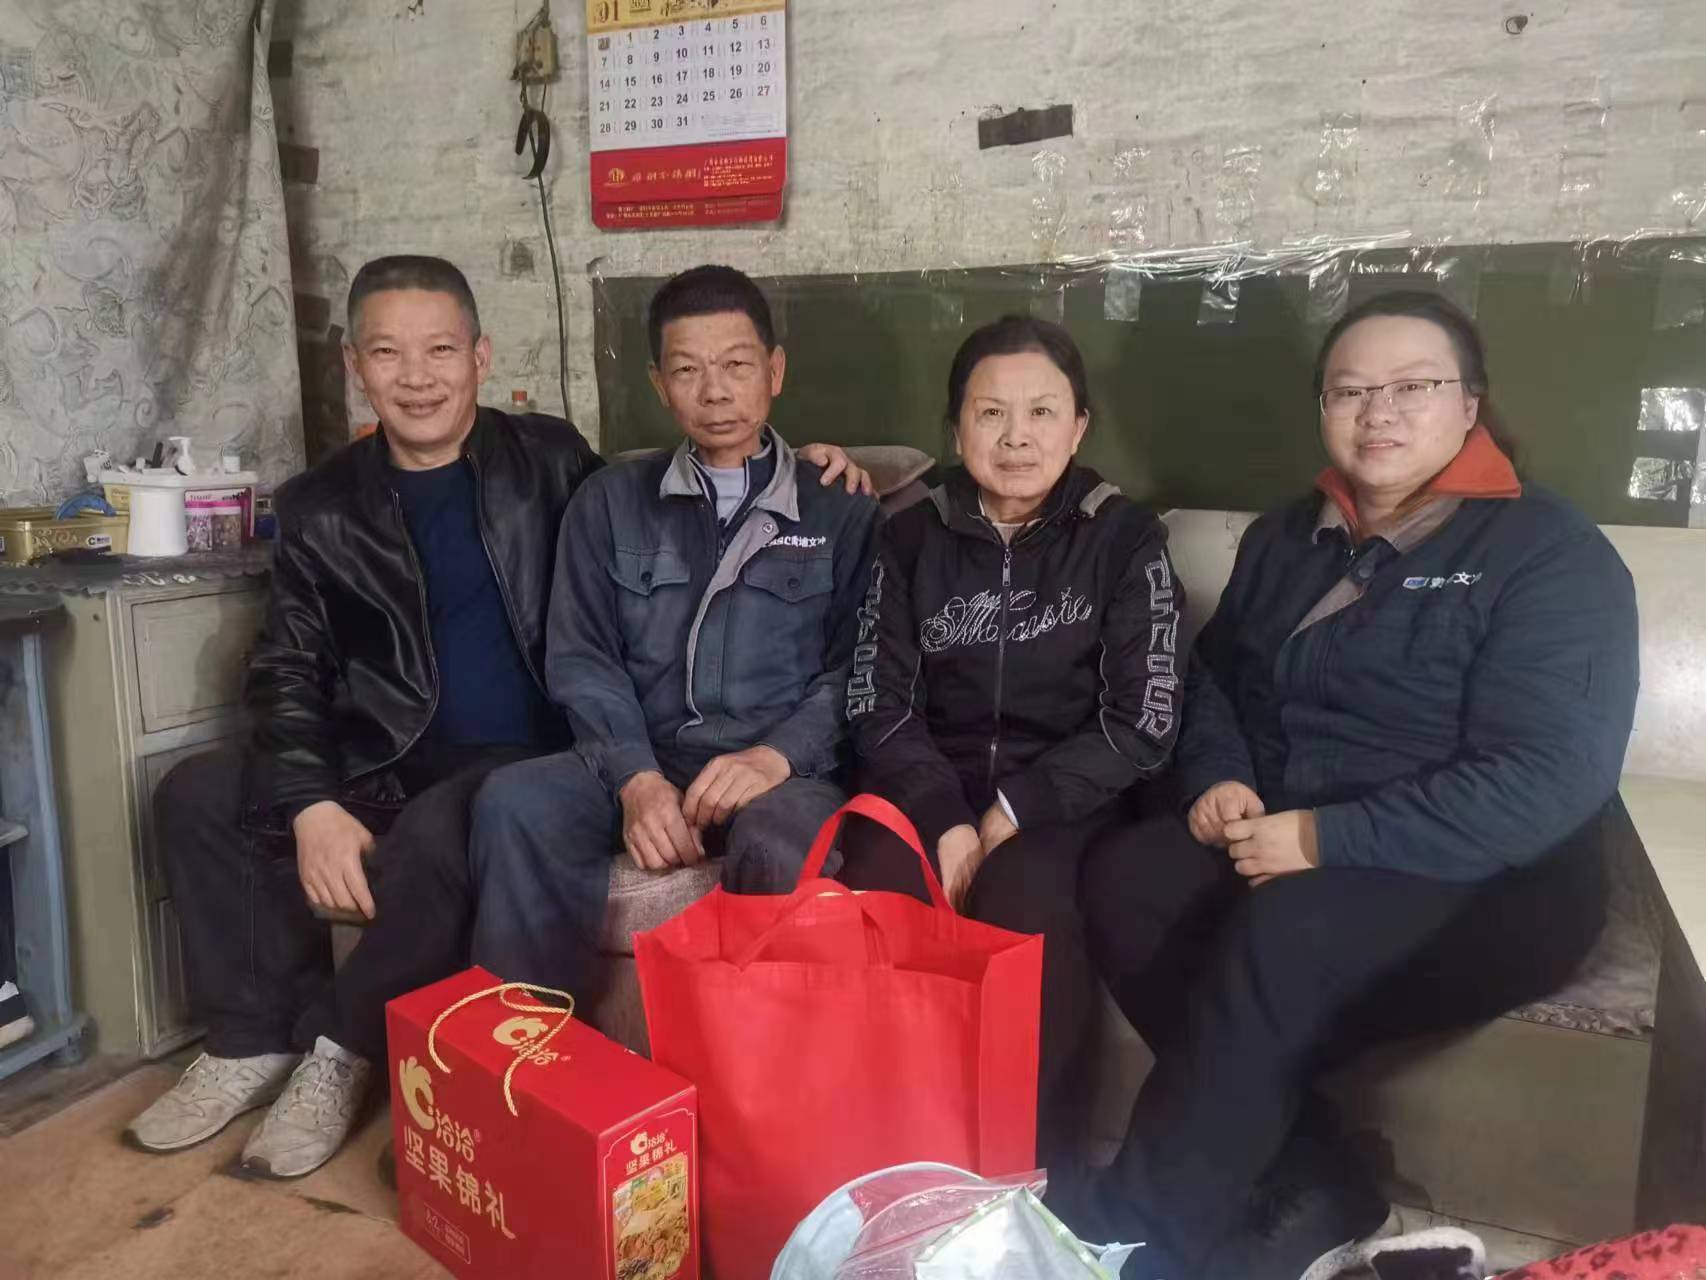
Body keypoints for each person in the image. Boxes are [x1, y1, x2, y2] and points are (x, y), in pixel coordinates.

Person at [127, 256, 867, 1180]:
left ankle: (348, 1049)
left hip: (515, 748)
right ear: (356, 364)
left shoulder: (552, 462)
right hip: (386, 746)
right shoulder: (324, 505)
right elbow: (290, 667)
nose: (417, 376)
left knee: (475, 816)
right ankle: (254, 1043)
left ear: (479, 357)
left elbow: (755, 525)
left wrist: (814, 463)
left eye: (440, 350)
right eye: (388, 353)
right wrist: (312, 800)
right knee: (196, 791)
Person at [1056, 291, 1639, 1280]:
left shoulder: (1548, 552)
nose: (1379, 412)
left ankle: (1137, 1232)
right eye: (1351, 390)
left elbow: (1546, 779)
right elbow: (1214, 681)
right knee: (1129, 874)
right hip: (1295, 839)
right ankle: (1317, 1174)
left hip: (1494, 874)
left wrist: (1322, 838)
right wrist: (1222, 779)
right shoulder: (1289, 536)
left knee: (1286, 931)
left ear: (1470, 403)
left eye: (1413, 386)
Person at [467, 265, 880, 995]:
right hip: (647, 754)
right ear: (659, 384)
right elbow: (584, 656)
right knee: (514, 801)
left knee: (779, 843)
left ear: (775, 372)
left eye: (736, 366)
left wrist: (775, 758)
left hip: (781, 774)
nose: (714, 392)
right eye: (688, 370)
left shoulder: (838, 507)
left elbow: (859, 666)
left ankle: (756, 1056)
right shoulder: (610, 501)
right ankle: (530, 1041)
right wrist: (637, 779)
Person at [836, 314, 1184, 1169]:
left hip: (1067, 794)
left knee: (1025, 903)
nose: (1016, 437)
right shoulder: (908, 536)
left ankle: (1033, 1171)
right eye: (991, 413)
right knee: (880, 893)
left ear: (1079, 426)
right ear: (956, 428)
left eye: (1042, 412)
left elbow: (1143, 718)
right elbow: (877, 702)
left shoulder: (1125, 539)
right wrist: (945, 816)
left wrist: (1014, 809)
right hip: (925, 781)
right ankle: (893, 1160)